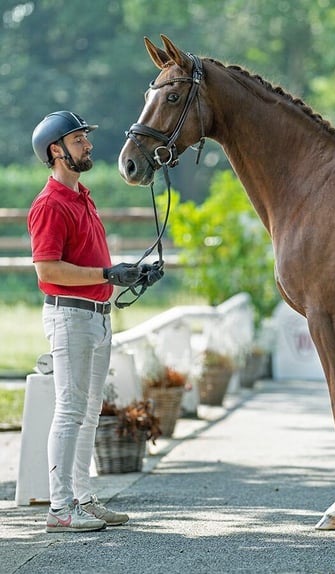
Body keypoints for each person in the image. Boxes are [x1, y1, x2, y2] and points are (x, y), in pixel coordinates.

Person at [28, 111, 161, 533]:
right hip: (70, 317)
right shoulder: (49, 204)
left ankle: (82, 498)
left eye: (85, 137)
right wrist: (107, 275)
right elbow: (47, 271)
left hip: (98, 318)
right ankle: (60, 509)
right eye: (78, 138)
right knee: (69, 411)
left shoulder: (82, 197)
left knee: (87, 412)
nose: (87, 144)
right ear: (56, 151)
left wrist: (133, 273)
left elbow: (90, 261)